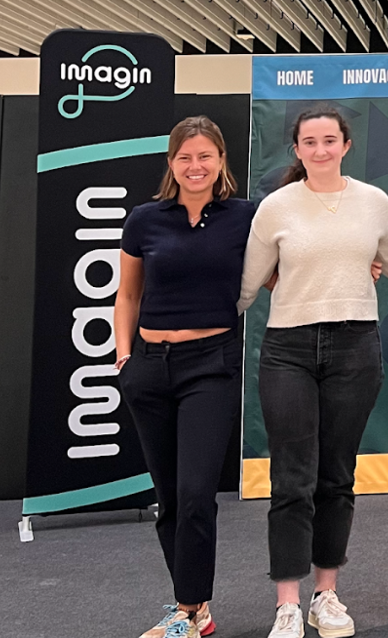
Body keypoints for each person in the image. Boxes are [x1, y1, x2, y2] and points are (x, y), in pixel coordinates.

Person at [239, 106, 388, 638]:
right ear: (296, 149)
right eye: (309, 142)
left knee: (337, 477)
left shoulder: (374, 203)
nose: (320, 150)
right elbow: (246, 285)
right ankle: (287, 604)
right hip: (288, 349)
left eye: (329, 141)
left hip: (355, 347)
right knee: (292, 478)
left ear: (346, 145)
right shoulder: (275, 208)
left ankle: (326, 595)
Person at [114, 116, 255, 638]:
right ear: (171, 164)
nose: (195, 166)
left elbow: (284, 267)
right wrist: (125, 360)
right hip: (149, 368)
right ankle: (191, 608)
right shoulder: (145, 219)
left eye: (205, 156)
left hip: (211, 365)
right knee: (170, 497)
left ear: (221, 161)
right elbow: (127, 295)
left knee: (197, 491)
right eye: (185, 157)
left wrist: (360, 265)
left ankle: (188, 606)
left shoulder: (245, 216)